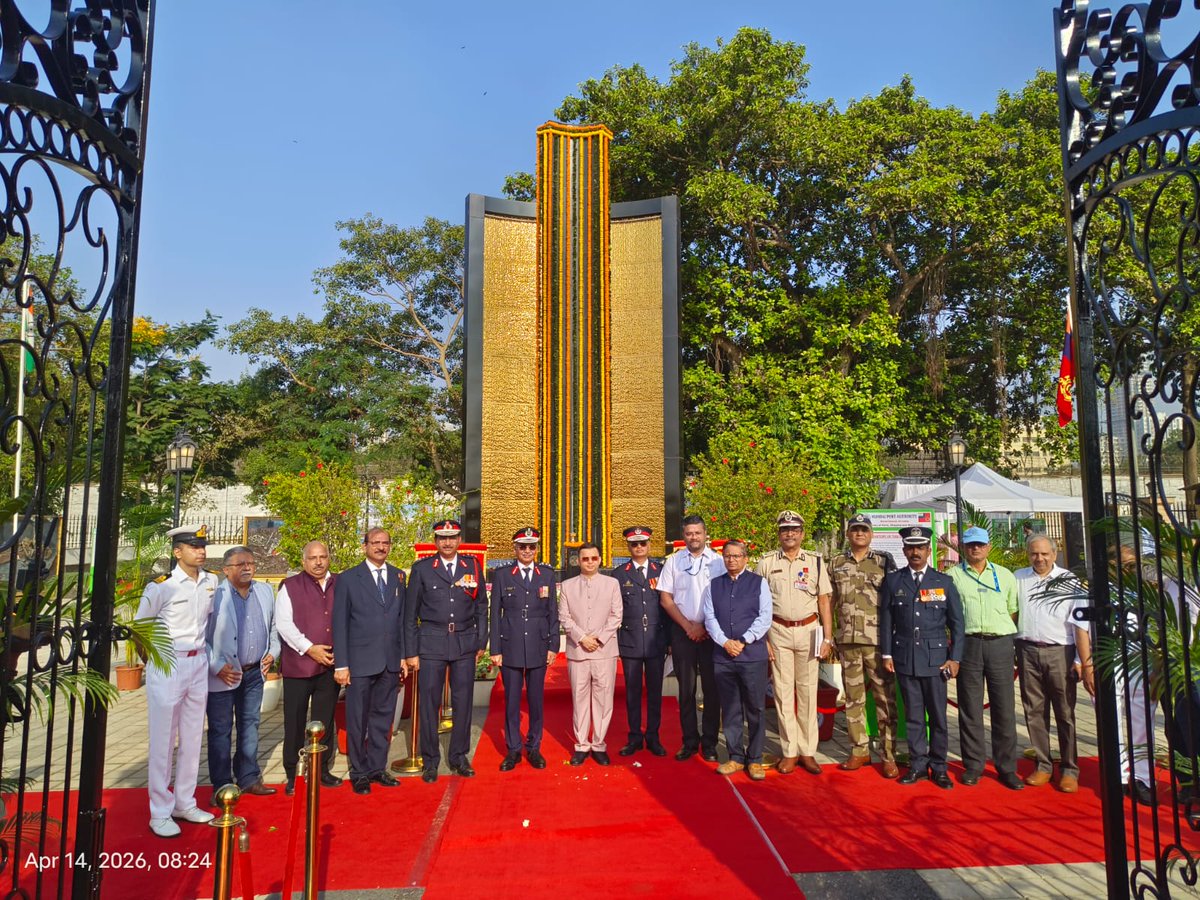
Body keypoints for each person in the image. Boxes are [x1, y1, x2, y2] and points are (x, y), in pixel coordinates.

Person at [138, 524, 217, 838]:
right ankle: (159, 810)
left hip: (198, 662)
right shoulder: (162, 586)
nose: (200, 551)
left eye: (202, 546)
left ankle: (185, 801)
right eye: (193, 546)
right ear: (177, 551)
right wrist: (155, 663)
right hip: (168, 662)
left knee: (193, 735)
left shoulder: (211, 581)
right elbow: (142, 627)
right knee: (162, 740)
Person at [881, 525, 964, 789]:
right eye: (910, 547)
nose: (915, 552)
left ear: (929, 550)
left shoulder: (943, 582)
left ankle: (939, 766)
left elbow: (957, 624)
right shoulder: (894, 581)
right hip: (906, 658)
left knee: (938, 717)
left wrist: (955, 658)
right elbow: (886, 621)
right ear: (904, 550)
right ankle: (917, 764)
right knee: (914, 717)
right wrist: (887, 653)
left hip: (936, 660)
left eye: (920, 548)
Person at [405, 519, 487, 784]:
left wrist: (480, 640)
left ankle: (459, 756)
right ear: (436, 540)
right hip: (431, 642)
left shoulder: (472, 566)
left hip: (464, 641)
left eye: (452, 537)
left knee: (463, 702)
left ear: (459, 539)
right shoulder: (423, 569)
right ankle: (430, 760)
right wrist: (411, 651)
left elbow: (482, 607)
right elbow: (409, 615)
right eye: (442, 538)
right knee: (429, 704)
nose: (448, 542)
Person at [756, 510, 833, 775]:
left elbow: (824, 600)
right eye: (784, 529)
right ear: (779, 533)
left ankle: (808, 751)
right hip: (777, 630)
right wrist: (763, 638)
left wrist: (828, 638)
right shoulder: (766, 562)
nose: (789, 533)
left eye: (794, 529)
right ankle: (789, 751)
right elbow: (759, 604)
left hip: (810, 630)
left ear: (802, 533)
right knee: (782, 693)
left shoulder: (815, 561)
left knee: (808, 691)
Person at [333, 528, 407, 795]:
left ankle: (377, 768)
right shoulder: (349, 579)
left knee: (382, 718)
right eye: (375, 543)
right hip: (359, 662)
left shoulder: (398, 576)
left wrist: (402, 656)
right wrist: (341, 664)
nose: (380, 547)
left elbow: (401, 620)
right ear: (364, 546)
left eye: (385, 543)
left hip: (389, 661)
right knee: (357, 720)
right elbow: (339, 623)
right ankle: (359, 772)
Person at [948, 525, 1023, 790]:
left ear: (988, 546)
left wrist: (998, 631)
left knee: (1004, 708)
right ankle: (974, 765)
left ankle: (1007, 767)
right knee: (970, 708)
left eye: (980, 544)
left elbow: (1013, 610)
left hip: (1000, 643)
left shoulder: (1005, 576)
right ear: (964, 548)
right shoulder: (953, 576)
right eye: (970, 545)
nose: (975, 549)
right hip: (969, 644)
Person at [205, 546, 280, 799]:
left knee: (250, 725)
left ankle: (248, 777)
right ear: (226, 570)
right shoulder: (214, 595)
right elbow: (199, 636)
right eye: (240, 564)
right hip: (223, 675)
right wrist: (216, 665)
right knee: (221, 730)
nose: (247, 568)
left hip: (253, 673)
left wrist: (273, 651)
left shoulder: (264, 591)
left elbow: (273, 627)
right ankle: (222, 784)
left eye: (251, 563)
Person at [830, 513, 899, 778]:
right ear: (848, 534)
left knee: (884, 700)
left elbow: (894, 601)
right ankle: (859, 749)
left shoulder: (883, 562)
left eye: (864, 530)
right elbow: (831, 600)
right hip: (848, 641)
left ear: (871, 535)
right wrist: (829, 636)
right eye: (855, 530)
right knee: (853, 700)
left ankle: (889, 755)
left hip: (877, 642)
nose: (859, 534)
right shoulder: (836, 563)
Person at [1015, 535, 1083, 793]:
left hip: (1060, 652)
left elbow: (1080, 622)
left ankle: (1069, 769)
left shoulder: (1069, 580)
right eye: (1034, 554)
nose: (1039, 558)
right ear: (1028, 554)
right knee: (1033, 711)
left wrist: (1080, 659)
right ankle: (1043, 765)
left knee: (1065, 713)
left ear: (1054, 554)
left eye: (1044, 554)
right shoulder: (1018, 577)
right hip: (1027, 649)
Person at [275, 540, 343, 795]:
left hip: (329, 666)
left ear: (329, 558)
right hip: (299, 666)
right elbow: (284, 624)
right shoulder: (290, 586)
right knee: (294, 722)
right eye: (313, 558)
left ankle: (322, 769)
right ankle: (293, 773)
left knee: (324, 721)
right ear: (304, 562)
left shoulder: (340, 583)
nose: (318, 562)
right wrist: (309, 648)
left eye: (323, 557)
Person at [703, 540, 773, 781]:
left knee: (755, 708)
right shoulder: (714, 585)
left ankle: (754, 759)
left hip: (752, 655)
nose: (731, 560)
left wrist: (743, 640)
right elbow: (709, 617)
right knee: (730, 708)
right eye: (727, 556)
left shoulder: (758, 583)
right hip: (724, 656)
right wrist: (724, 642)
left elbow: (765, 617)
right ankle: (735, 756)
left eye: (736, 556)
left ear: (745, 558)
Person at [489, 527, 558, 772]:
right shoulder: (503, 575)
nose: (527, 551)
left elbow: (553, 612)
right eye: (522, 546)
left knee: (536, 700)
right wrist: (495, 648)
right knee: (511, 701)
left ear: (537, 549)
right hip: (511, 645)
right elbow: (495, 614)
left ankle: (534, 746)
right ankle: (513, 749)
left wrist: (553, 645)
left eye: (531, 546)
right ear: (515, 548)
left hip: (538, 644)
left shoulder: (546, 574)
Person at [657, 515, 724, 761]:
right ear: (683, 535)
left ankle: (709, 743)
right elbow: (666, 599)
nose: (693, 537)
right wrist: (688, 626)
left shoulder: (719, 562)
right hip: (683, 633)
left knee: (711, 689)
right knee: (686, 689)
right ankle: (689, 741)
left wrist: (705, 626)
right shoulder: (673, 562)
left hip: (711, 633)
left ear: (706, 534)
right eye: (689, 533)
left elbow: (725, 596)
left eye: (697, 532)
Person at [559, 542, 623, 766]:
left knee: (604, 699)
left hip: (604, 650)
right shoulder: (567, 586)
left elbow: (616, 615)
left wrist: (598, 639)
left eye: (593, 558)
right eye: (585, 559)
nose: (589, 562)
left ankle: (598, 743)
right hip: (578, 651)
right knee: (579, 699)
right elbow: (564, 618)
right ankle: (581, 745)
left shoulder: (612, 584)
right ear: (578, 561)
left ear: (600, 559)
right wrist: (582, 638)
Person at [613, 525, 668, 757]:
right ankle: (635, 736)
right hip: (631, 640)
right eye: (634, 544)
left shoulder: (661, 570)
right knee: (633, 692)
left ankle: (653, 736)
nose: (639, 547)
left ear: (649, 545)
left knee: (655, 691)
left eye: (642, 543)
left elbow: (667, 606)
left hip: (656, 640)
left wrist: (669, 639)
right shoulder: (619, 573)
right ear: (628, 546)